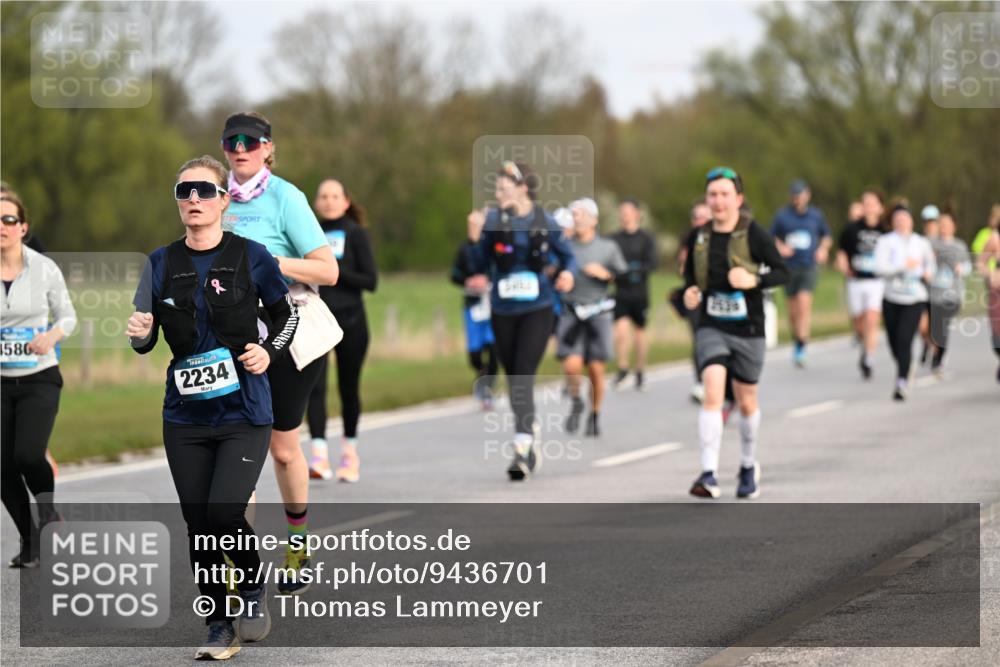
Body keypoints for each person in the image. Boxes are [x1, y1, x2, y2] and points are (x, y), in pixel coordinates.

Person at [128, 156, 298, 658]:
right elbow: (145, 334)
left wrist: (269, 350)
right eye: (184, 192)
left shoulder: (253, 256)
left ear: (225, 199)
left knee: (224, 512)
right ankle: (218, 624)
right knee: (198, 521)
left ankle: (250, 586)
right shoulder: (160, 263)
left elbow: (287, 316)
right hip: (184, 414)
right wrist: (139, 335)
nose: (194, 200)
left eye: (204, 190)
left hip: (244, 411)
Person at [219, 112, 338, 594]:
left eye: (251, 141)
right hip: (232, 340)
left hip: (288, 332)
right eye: (232, 141)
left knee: (283, 448)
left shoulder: (287, 197)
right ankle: (234, 560)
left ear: (268, 148)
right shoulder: (214, 196)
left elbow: (327, 271)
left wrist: (265, 263)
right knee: (236, 448)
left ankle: (297, 543)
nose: (241, 148)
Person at [465, 161, 576, 481]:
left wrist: (567, 273)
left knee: (524, 373)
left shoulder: (545, 219)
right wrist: (474, 239)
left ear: (523, 188)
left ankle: (522, 447)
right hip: (502, 310)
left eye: (503, 188)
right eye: (496, 189)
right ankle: (529, 430)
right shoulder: (492, 222)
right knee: (514, 379)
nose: (498, 194)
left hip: (538, 308)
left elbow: (567, 256)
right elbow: (479, 265)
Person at [682, 167, 787, 500]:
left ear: (738, 199)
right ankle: (708, 473)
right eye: (713, 194)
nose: (718, 201)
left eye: (725, 194)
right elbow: (689, 280)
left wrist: (754, 280)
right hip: (712, 325)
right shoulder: (699, 236)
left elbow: (784, 272)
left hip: (750, 328)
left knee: (746, 401)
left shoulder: (755, 234)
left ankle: (746, 465)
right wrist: (689, 294)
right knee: (713, 390)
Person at [1, 191, 76, 568]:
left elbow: (68, 317)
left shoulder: (43, 268)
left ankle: (48, 514)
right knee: (2, 464)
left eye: (9, 220)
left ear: (23, 227)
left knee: (28, 454)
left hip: (39, 377)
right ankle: (30, 541)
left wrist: (51, 335)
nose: (2, 227)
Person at [306, 180, 377, 483]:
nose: (329, 201)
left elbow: (370, 281)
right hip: (317, 319)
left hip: (351, 320)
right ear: (316, 202)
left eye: (335, 196)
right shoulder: (309, 232)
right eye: (323, 196)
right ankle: (319, 456)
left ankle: (350, 454)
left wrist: (331, 270)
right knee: (314, 387)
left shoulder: (356, 233)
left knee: (348, 388)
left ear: (346, 201)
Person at [558, 198, 626, 438]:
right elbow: (553, 270)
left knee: (596, 369)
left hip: (598, 313)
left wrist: (605, 274)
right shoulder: (565, 246)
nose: (576, 219)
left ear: (594, 220)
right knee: (572, 365)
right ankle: (576, 400)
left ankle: (594, 415)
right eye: (573, 214)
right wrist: (558, 279)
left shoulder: (608, 247)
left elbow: (623, 278)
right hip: (572, 312)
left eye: (581, 214)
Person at [874, 203, 936, 401]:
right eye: (897, 220)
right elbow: (879, 268)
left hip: (914, 298)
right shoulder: (885, 241)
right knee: (893, 342)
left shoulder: (921, 243)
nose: (901, 223)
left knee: (904, 339)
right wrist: (902, 266)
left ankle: (901, 381)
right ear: (892, 223)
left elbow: (930, 266)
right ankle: (905, 365)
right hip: (891, 297)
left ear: (911, 221)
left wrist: (928, 274)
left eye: (904, 219)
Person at [771, 179, 831, 367]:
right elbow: (771, 237)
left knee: (804, 303)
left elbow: (827, 236)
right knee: (792, 311)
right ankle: (797, 339)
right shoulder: (782, 216)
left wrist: (823, 249)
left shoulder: (816, 215)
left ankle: (802, 345)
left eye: (800, 195)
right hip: (789, 267)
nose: (797, 199)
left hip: (808, 265)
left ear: (807, 195)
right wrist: (781, 247)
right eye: (794, 196)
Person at [836, 188, 887, 379]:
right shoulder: (851, 229)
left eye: (872, 204)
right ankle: (863, 343)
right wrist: (844, 265)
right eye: (865, 203)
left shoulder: (885, 230)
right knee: (859, 322)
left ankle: (869, 357)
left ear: (880, 207)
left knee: (872, 319)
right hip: (856, 280)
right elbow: (842, 252)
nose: (868, 207)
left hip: (877, 281)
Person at [611, 198, 657, 390]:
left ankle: (639, 369)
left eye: (629, 211)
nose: (625, 215)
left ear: (637, 214)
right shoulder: (613, 239)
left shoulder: (646, 238)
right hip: (621, 292)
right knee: (621, 330)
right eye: (622, 211)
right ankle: (622, 368)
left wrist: (636, 271)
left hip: (640, 292)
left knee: (639, 332)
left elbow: (652, 263)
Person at [450, 225, 498, 411]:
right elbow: (454, 274)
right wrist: (467, 281)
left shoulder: (497, 246)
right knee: (475, 353)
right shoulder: (464, 249)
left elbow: (506, 268)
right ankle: (480, 372)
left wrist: (488, 280)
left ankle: (487, 390)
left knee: (494, 350)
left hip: (493, 305)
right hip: (473, 305)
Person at [927, 212, 972, 376]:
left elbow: (968, 267)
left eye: (947, 224)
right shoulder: (930, 243)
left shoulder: (959, 245)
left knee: (942, 325)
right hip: (934, 293)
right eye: (941, 224)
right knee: (932, 328)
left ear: (954, 226)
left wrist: (961, 268)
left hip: (952, 294)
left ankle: (939, 359)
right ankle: (935, 351)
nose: (944, 227)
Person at [975, 221, 1000, 382]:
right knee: (997, 336)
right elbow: (980, 263)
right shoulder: (995, 239)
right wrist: (991, 274)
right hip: (997, 292)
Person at [918, 204, 942, 364]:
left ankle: (936, 355)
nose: (930, 224)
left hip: (939, 290)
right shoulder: (918, 241)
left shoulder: (943, 241)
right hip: (921, 290)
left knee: (936, 327)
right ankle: (926, 344)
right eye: (927, 221)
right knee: (922, 327)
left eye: (933, 221)